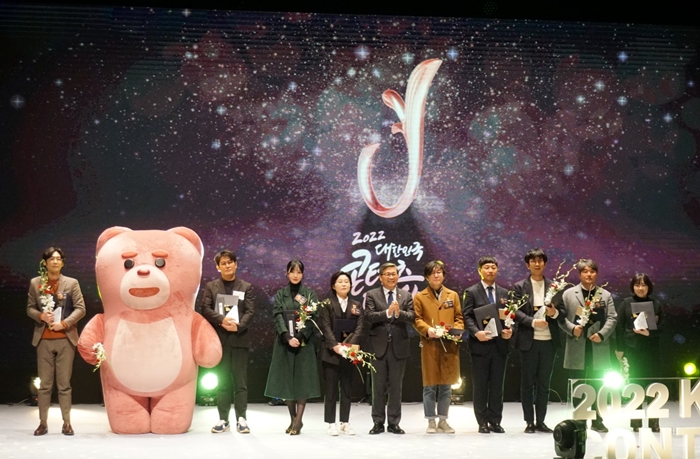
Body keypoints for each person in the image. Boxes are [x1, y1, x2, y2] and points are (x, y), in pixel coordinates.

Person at [26, 247, 86, 436]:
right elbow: (30, 308)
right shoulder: (36, 283)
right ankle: (43, 423)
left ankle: (66, 423)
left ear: (63, 262)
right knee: (45, 385)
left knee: (64, 385)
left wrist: (64, 324)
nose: (55, 261)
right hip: (43, 339)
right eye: (51, 259)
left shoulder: (71, 283)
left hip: (65, 339)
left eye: (58, 259)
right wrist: (41, 316)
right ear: (45, 263)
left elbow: (81, 309)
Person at [199, 250, 255, 434]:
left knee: (240, 382)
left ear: (236, 264)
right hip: (220, 341)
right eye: (223, 263)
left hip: (240, 339)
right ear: (218, 267)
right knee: (222, 382)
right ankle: (223, 419)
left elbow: (250, 311)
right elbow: (205, 308)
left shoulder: (246, 286)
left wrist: (238, 327)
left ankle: (241, 419)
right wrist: (222, 320)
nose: (227, 265)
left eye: (230, 262)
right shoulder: (211, 286)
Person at [559, 259, 616, 432]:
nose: (589, 274)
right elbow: (561, 318)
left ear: (596, 274)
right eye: (585, 271)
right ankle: (580, 421)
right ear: (579, 274)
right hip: (577, 345)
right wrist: (572, 329)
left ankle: (597, 420)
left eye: (592, 271)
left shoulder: (605, 294)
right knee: (578, 385)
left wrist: (602, 334)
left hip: (598, 345)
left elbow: (612, 318)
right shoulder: (569, 294)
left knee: (598, 384)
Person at [264, 259, 320, 435]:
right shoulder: (281, 294)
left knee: (302, 381)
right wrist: (287, 337)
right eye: (292, 271)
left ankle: (298, 421)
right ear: (287, 273)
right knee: (287, 381)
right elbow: (277, 315)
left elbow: (312, 317)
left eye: (299, 272)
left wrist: (300, 336)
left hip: (304, 344)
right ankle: (292, 418)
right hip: (285, 343)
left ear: (302, 274)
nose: (295, 275)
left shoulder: (309, 294)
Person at [512, 249, 561, 434]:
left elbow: (562, 310)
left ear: (545, 264)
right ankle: (529, 422)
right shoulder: (519, 287)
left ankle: (541, 421)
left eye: (540, 260)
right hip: (529, 341)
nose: (537, 264)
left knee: (543, 384)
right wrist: (532, 322)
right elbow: (515, 311)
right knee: (527, 383)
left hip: (549, 341)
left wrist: (554, 313)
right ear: (528, 265)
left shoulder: (554, 286)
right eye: (533, 261)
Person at [463, 256, 513, 434]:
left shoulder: (505, 293)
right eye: (486, 267)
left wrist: (509, 330)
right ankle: (482, 421)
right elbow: (466, 316)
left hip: (500, 346)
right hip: (480, 346)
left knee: (497, 386)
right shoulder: (471, 292)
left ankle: (495, 420)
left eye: (493, 267)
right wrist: (476, 333)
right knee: (481, 386)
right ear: (480, 270)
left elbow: (509, 316)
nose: (490, 270)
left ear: (497, 270)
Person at [413, 260, 463, 434]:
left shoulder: (452, 295)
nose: (436, 275)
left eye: (439, 272)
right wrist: (428, 330)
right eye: (432, 273)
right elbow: (417, 319)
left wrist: (458, 330)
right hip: (430, 345)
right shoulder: (420, 297)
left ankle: (443, 420)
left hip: (449, 345)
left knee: (446, 386)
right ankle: (431, 422)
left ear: (443, 275)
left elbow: (459, 317)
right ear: (427, 277)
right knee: (430, 385)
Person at [364, 262, 415, 435]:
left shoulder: (406, 295)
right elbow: (369, 316)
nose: (391, 277)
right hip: (378, 347)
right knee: (377, 387)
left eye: (394, 274)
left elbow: (412, 316)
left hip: (399, 347)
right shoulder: (372, 295)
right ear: (380, 277)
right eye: (387, 274)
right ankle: (378, 422)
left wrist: (399, 313)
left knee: (396, 387)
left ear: (398, 276)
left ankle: (394, 422)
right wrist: (387, 312)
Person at [318, 271, 366, 436]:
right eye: (340, 281)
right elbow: (325, 327)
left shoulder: (356, 305)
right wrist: (335, 346)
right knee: (331, 389)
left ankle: (345, 422)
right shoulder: (327, 304)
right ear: (333, 285)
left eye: (347, 281)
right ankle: (331, 423)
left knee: (347, 388)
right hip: (331, 353)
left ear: (351, 285)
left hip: (349, 352)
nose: (344, 284)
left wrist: (348, 346)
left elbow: (359, 327)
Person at [615, 273, 663, 432]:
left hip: (652, 351)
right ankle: (636, 423)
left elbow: (663, 327)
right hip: (632, 350)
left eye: (643, 285)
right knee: (635, 386)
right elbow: (619, 328)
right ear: (632, 287)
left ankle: (654, 422)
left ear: (649, 287)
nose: (640, 288)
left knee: (653, 387)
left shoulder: (656, 304)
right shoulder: (626, 303)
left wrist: (649, 333)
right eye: (637, 285)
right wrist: (620, 350)